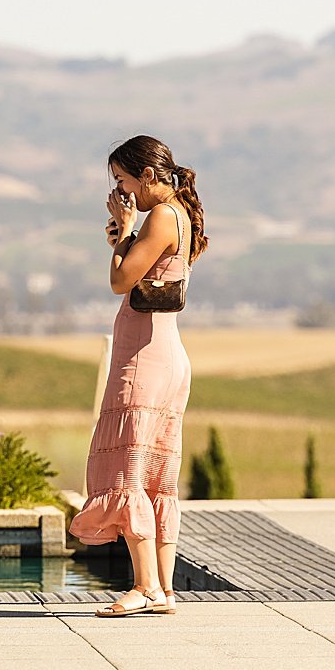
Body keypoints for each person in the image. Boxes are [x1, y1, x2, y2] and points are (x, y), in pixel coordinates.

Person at [69, 135, 207, 616]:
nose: (122, 192)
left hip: (143, 361)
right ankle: (163, 589)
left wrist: (126, 231)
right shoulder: (179, 216)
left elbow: (119, 282)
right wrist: (125, 238)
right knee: (155, 480)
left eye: (124, 181)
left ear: (148, 175)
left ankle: (146, 585)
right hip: (165, 353)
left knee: (129, 473)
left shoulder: (162, 216)